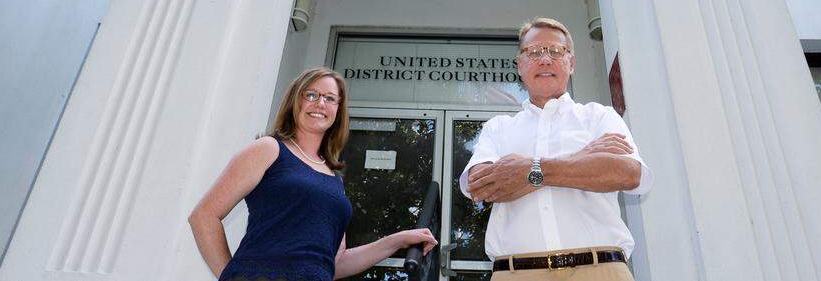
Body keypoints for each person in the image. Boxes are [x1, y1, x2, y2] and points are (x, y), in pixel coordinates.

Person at [189, 67, 437, 281]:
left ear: (339, 110)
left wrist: (396, 240)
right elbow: (204, 216)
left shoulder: (334, 179)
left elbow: (336, 262)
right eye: (311, 95)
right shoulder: (269, 149)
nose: (320, 103)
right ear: (294, 102)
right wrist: (231, 275)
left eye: (330, 98)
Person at [461, 18, 653, 281]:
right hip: (516, 273)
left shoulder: (599, 117)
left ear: (571, 63)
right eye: (534, 52)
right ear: (519, 65)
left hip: (600, 271)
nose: (545, 59)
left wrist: (527, 170)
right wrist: (581, 158)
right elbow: (480, 186)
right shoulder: (499, 128)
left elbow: (628, 174)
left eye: (555, 51)